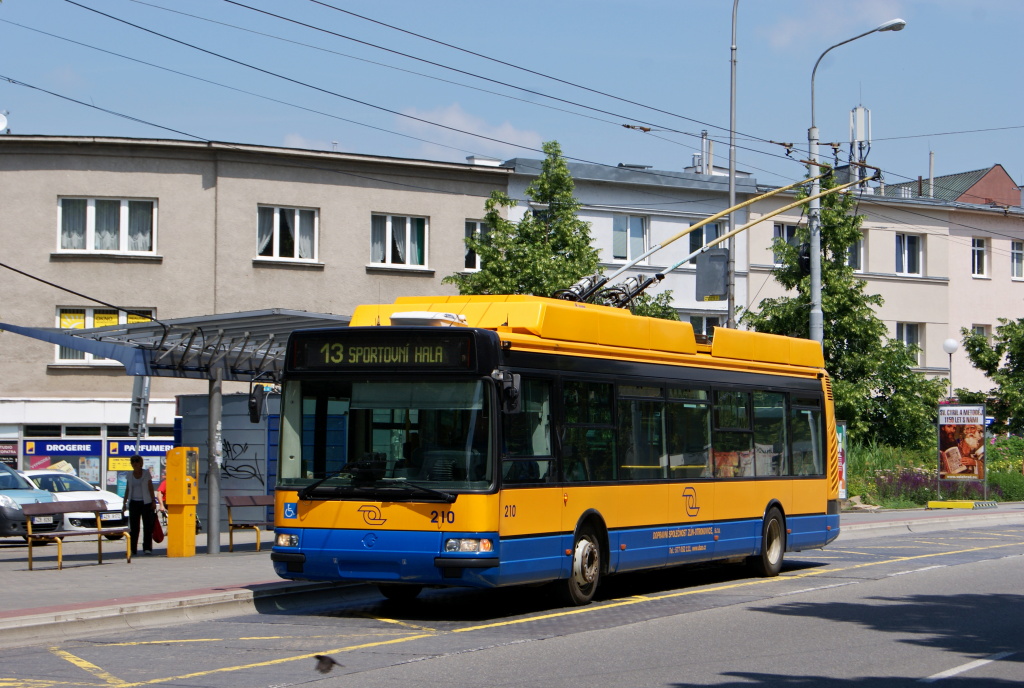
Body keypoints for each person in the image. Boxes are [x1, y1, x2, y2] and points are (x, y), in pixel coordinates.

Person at [122, 454, 156, 555]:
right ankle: (133, 549)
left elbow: (150, 487)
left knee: (147, 526)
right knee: (134, 527)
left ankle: (147, 548)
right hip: (134, 502)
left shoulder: (146, 474)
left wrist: (153, 501)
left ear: (141, 463)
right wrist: (124, 503)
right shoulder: (129, 475)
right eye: (133, 461)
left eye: (137, 461)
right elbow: (128, 489)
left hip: (146, 503)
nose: (135, 463)